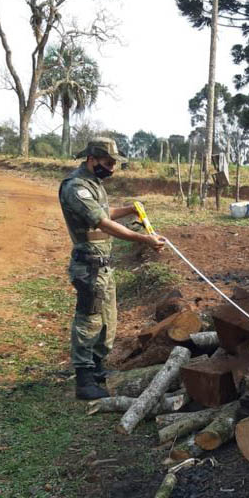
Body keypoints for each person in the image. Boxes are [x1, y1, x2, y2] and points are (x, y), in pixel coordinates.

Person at [58, 136, 165, 400]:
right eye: (108, 163)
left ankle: (97, 369)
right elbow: (102, 222)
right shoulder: (76, 188)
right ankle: (84, 380)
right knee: (90, 320)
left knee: (108, 321)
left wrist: (130, 209)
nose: (112, 169)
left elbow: (106, 212)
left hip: (103, 267)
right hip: (89, 267)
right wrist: (144, 239)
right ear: (91, 159)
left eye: (115, 164)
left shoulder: (94, 184)